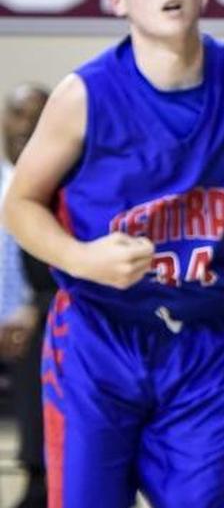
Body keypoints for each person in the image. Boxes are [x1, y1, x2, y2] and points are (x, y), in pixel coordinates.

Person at [1, 0, 224, 508]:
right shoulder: (82, 95)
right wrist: (81, 257)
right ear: (118, 0)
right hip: (99, 338)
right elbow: (18, 204)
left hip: (205, 340)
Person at [0, 84, 50, 508]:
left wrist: (32, 308)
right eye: (18, 114)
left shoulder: (62, 193)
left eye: (38, 116)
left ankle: (41, 479)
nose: (27, 125)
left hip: (34, 330)